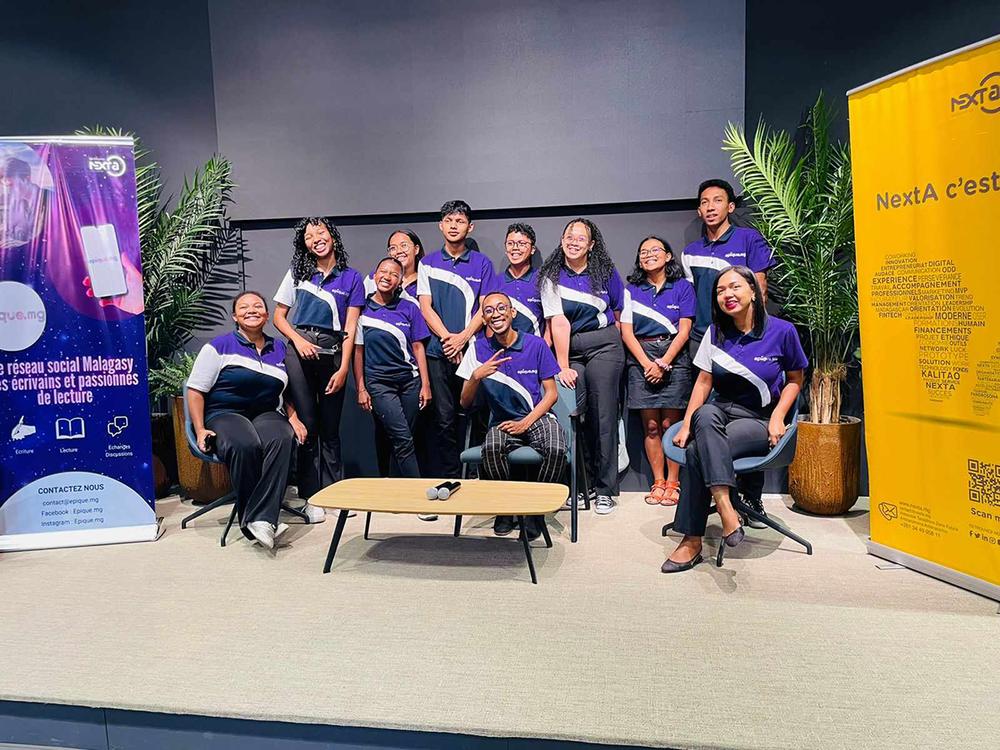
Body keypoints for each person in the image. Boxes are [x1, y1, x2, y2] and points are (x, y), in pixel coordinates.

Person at [662, 266, 806, 573]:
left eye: (735, 287)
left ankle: (691, 539)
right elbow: (703, 383)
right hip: (718, 413)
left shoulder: (782, 331)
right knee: (704, 414)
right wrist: (687, 423)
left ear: (753, 291)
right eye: (720, 290)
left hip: (757, 418)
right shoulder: (715, 333)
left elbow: (795, 379)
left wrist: (779, 415)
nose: (727, 295)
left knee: (696, 452)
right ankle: (726, 508)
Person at [186, 291, 308, 550]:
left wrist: (294, 417)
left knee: (282, 438)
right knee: (245, 444)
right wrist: (199, 429)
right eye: (243, 307)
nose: (251, 310)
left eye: (257, 306)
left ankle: (260, 519)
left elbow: (285, 391)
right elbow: (195, 391)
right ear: (235, 316)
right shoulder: (219, 346)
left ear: (266, 315)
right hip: (224, 412)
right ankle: (257, 519)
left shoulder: (279, 348)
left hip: (265, 413)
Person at [273, 217, 364, 517]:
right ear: (305, 244)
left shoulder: (352, 278)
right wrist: (298, 342)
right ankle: (311, 496)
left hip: (333, 352)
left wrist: (344, 369)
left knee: (331, 427)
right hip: (299, 351)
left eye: (320, 233)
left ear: (332, 237)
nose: (315, 239)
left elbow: (350, 327)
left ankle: (334, 494)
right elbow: (279, 317)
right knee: (308, 425)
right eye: (309, 237)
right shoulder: (297, 273)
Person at [457, 291, 566, 540]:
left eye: (501, 308)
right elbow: (464, 402)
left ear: (512, 312)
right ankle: (505, 509)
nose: (496, 314)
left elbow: (551, 394)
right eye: (489, 311)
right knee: (491, 447)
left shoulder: (535, 344)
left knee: (557, 448)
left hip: (536, 417)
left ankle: (535, 512)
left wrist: (525, 422)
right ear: (483, 318)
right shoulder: (478, 349)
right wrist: (476, 376)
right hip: (502, 421)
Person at [538, 218, 624, 515]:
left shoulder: (605, 272)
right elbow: (558, 322)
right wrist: (562, 366)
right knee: (576, 416)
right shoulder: (550, 275)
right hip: (571, 348)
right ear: (561, 240)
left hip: (606, 345)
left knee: (603, 415)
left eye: (580, 238)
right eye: (568, 236)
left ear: (591, 244)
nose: (573, 241)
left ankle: (605, 489)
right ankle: (581, 485)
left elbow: (617, 311)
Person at [417, 200, 498, 479]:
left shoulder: (482, 263)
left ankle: (478, 474)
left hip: (473, 350)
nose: (454, 226)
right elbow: (426, 308)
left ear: (470, 226)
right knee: (443, 418)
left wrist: (462, 339)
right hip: (438, 353)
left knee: (477, 414)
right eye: (449, 221)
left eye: (460, 221)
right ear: (441, 226)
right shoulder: (427, 263)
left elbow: (486, 308)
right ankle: (451, 476)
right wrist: (447, 340)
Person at [620, 236, 696, 506]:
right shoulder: (630, 290)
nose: (648, 255)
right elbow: (626, 332)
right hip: (641, 357)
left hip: (673, 357)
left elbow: (685, 329)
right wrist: (647, 364)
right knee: (651, 426)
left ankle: (674, 483)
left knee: (670, 425)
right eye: (643, 252)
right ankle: (658, 482)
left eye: (655, 250)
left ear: (667, 256)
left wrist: (664, 362)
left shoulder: (683, 287)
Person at [354, 257, 433, 481]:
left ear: (400, 281)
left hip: (410, 381)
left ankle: (391, 487)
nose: (387, 277)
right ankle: (417, 496)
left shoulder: (410, 308)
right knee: (402, 438)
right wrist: (361, 387)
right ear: (375, 274)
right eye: (383, 271)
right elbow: (357, 352)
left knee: (401, 437)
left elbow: (418, 347)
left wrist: (425, 385)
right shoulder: (362, 309)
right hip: (379, 384)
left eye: (394, 274)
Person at [681, 179, 775, 349]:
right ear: (699, 211)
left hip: (741, 337)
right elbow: (691, 297)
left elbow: (760, 288)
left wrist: (752, 330)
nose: (710, 207)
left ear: (730, 207)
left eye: (718, 200)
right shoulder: (690, 252)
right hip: (701, 338)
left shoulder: (749, 238)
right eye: (705, 202)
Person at [497, 223, 548, 342]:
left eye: (522, 244)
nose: (515, 248)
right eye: (510, 243)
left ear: (532, 250)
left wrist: (543, 348)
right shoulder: (495, 281)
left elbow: (552, 323)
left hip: (535, 352)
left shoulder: (543, 281)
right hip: (504, 354)